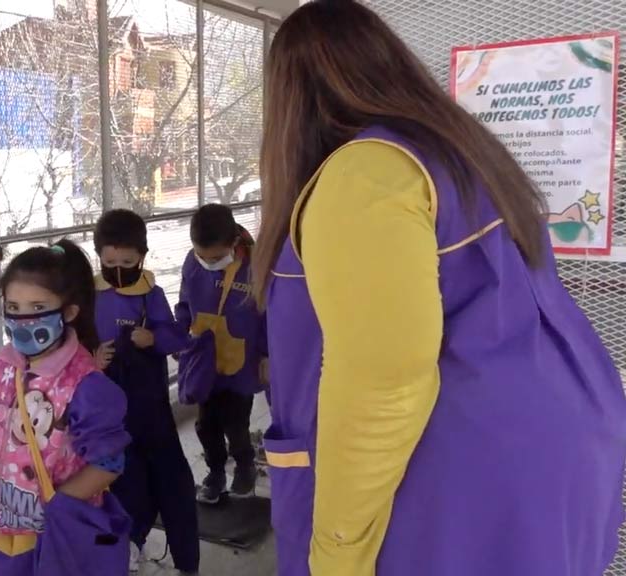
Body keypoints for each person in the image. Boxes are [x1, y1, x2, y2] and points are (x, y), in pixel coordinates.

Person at [253, 2, 626, 576]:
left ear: (290, 98)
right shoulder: (464, 155)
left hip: (462, 481)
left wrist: (337, 549)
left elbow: (385, 379)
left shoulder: (365, 176)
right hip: (557, 446)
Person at [0, 239, 132, 576]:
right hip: (2, 526)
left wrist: (56, 506)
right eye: (14, 307)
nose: (23, 319)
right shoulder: (2, 367)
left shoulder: (87, 387)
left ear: (69, 312)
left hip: (57, 537)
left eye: (37, 308)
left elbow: (108, 463)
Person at [93, 210, 200, 574]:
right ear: (99, 257)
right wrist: (93, 358)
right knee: (123, 478)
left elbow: (175, 335)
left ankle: (186, 557)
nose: (118, 268)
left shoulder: (150, 294)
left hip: (149, 402)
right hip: (106, 405)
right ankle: (128, 543)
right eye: (109, 262)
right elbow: (74, 342)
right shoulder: (92, 294)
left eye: (127, 261)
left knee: (168, 477)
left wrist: (152, 338)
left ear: (143, 256)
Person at [176, 204, 267, 504]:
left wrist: (266, 354)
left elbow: (267, 314)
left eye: (215, 257)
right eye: (202, 255)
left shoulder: (255, 265)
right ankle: (215, 471)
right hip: (205, 360)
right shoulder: (193, 263)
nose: (207, 262)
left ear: (232, 244)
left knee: (236, 422)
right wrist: (181, 335)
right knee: (206, 423)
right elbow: (185, 303)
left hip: (242, 361)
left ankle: (244, 465)